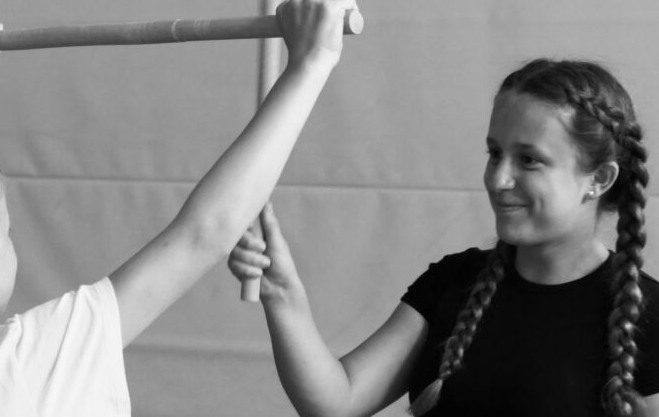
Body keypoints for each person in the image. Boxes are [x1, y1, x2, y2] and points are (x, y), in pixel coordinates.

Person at [0, 0, 359, 417]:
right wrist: (312, 62)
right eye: (5, 235)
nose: (12, 244)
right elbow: (203, 233)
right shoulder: (17, 369)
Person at [228, 59, 659, 417]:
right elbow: (336, 403)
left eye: (529, 160)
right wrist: (283, 295)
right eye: (495, 153)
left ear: (599, 179)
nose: (499, 179)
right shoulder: (453, 282)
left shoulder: (649, 316)